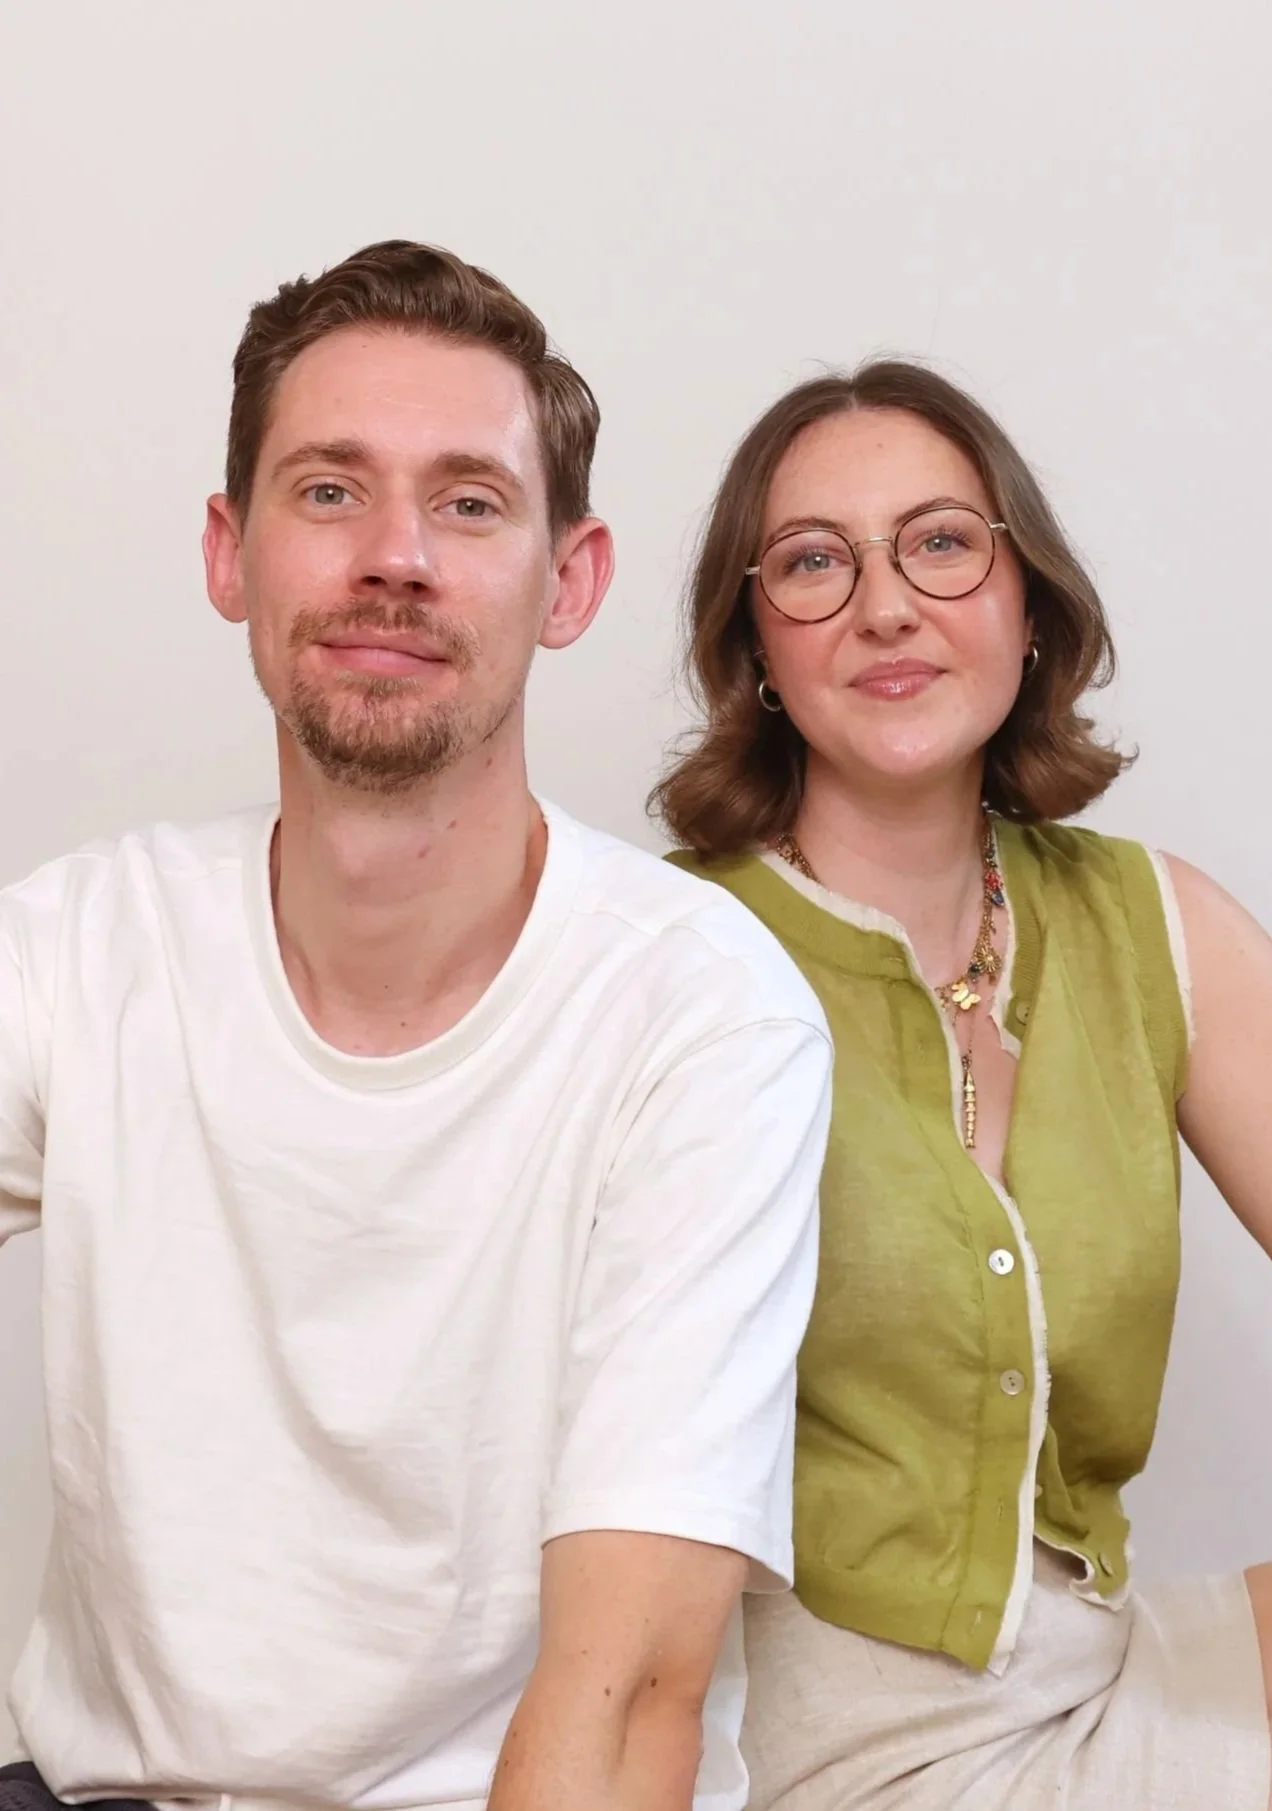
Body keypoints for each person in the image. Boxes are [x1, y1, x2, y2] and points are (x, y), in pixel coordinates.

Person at [0, 241, 833, 1811]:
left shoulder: (698, 1016)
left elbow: (633, 1688)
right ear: (227, 552)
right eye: (328, 492)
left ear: (567, 579)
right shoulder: (79, 950)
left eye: (466, 501)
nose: (395, 557)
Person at [654, 359, 1272, 1810]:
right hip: (836, 1731)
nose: (886, 604)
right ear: (755, 652)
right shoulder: (669, 957)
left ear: (1026, 606)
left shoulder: (1152, 923)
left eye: (940, 541)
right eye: (809, 564)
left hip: (1080, 1651)